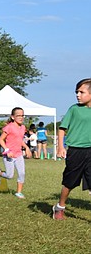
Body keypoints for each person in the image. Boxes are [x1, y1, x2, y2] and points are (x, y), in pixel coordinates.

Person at [52, 78, 91, 219]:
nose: (78, 95)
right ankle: (60, 207)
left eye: (82, 92)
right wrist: (60, 147)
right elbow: (62, 129)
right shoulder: (74, 109)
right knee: (70, 182)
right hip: (75, 150)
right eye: (77, 92)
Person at [0, 107, 31, 198]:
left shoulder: (23, 127)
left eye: (22, 115)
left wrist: (27, 148)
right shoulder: (9, 127)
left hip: (18, 154)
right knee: (9, 175)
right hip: (9, 155)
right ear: (13, 117)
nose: (21, 117)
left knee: (22, 173)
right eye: (18, 116)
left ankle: (19, 192)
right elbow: (1, 139)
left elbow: (20, 140)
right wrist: (7, 150)